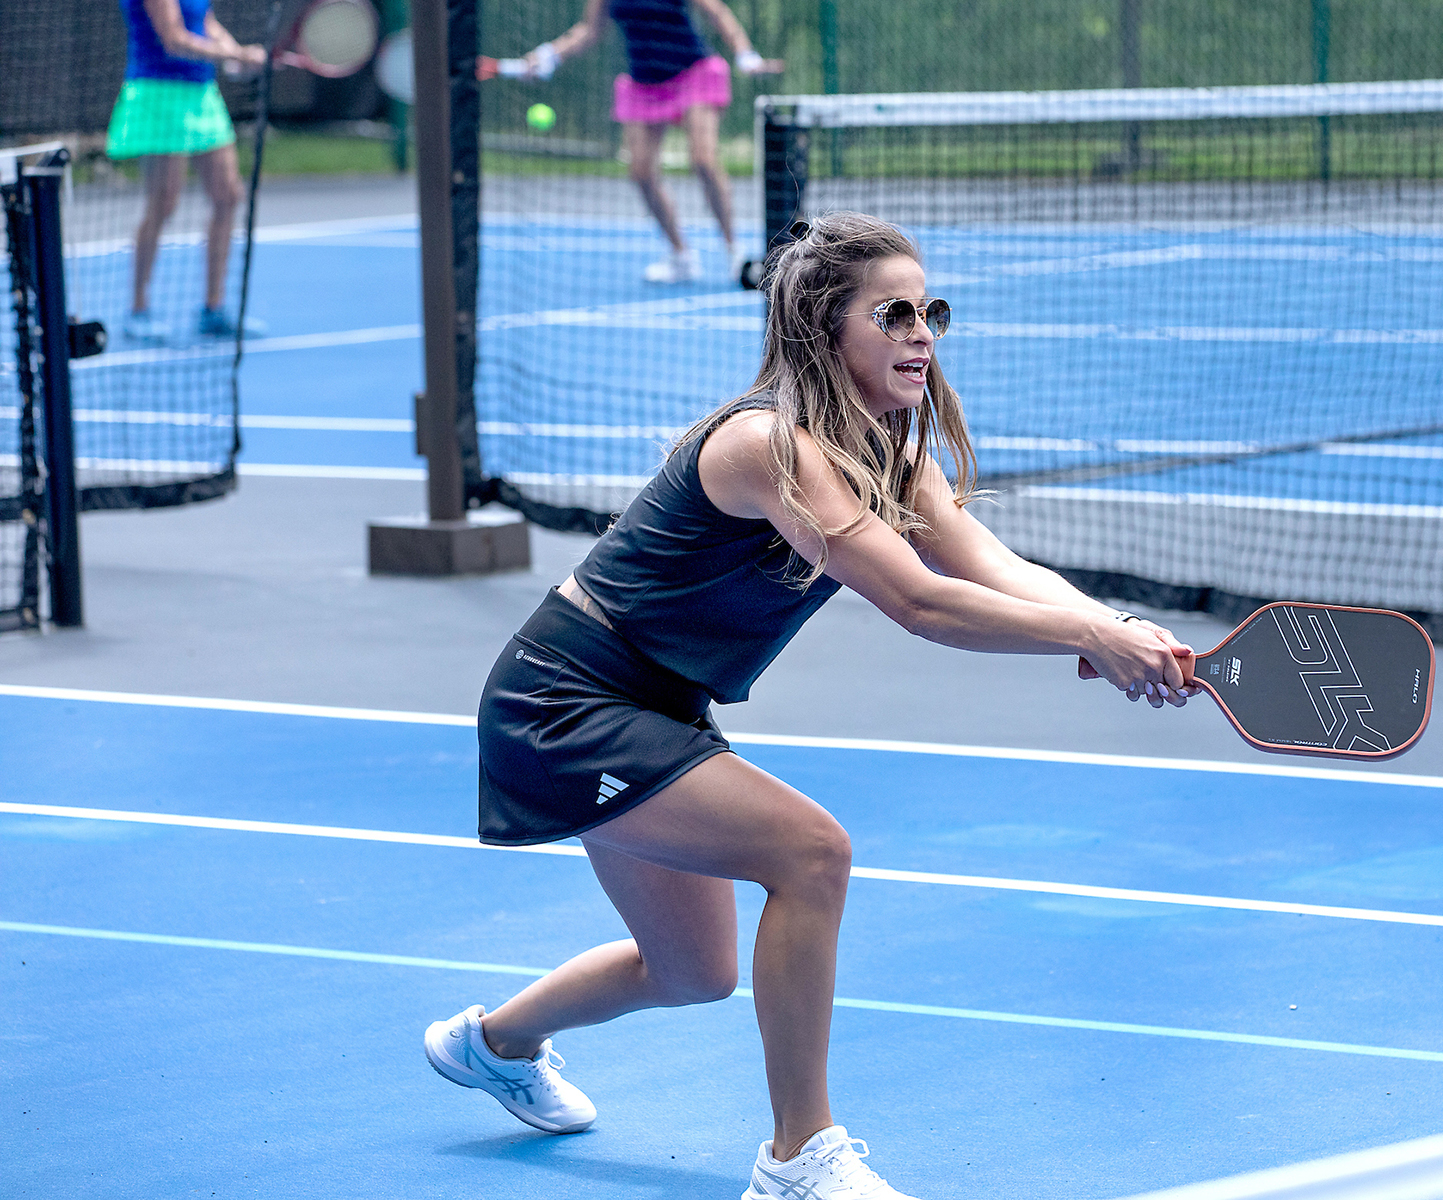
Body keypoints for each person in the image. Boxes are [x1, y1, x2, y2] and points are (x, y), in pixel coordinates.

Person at [423, 213, 1196, 1199]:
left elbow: (993, 568)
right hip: (565, 697)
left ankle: (491, 1044)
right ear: (826, 328)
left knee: (693, 972)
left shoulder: (893, 457)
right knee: (811, 852)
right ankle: (797, 1158)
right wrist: (1090, 638)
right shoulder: (765, 446)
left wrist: (1116, 625)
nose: (922, 334)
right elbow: (922, 604)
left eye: (931, 312)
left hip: (657, 705)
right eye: (894, 314)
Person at [489, 0, 783, 283]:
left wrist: (745, 54)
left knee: (703, 160)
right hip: (643, 84)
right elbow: (589, 29)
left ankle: (734, 252)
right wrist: (548, 56)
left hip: (694, 73)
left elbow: (716, 11)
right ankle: (681, 256)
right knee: (640, 172)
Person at [107, 0, 266, 342]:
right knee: (163, 203)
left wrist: (234, 53)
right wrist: (235, 55)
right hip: (158, 95)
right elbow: (174, 39)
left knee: (228, 196)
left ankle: (213, 308)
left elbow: (206, 21)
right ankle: (138, 309)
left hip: (202, 93)